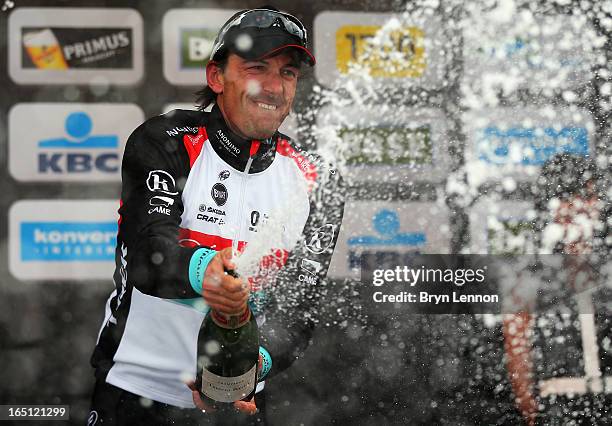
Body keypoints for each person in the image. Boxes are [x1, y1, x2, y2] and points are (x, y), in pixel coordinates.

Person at [87, 6, 345, 425]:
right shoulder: (165, 140)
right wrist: (204, 269)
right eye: (257, 68)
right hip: (137, 392)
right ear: (216, 77)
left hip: (237, 405)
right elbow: (148, 253)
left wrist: (248, 367)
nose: (275, 88)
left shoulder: (319, 179)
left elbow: (298, 312)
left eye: (288, 73)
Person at [502, 153, 610, 425]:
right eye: (567, 198)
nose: (578, 208)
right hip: (558, 412)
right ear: (551, 209)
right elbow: (519, 368)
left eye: (588, 197)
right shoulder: (529, 281)